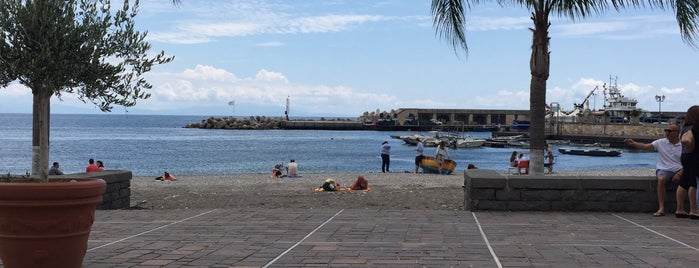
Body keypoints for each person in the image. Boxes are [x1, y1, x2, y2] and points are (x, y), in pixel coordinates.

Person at [625, 123, 683, 217]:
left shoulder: (683, 144)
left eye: (670, 131)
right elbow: (646, 147)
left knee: (687, 182)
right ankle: (661, 208)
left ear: (677, 133)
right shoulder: (661, 142)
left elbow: (688, 160)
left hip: (679, 169)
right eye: (666, 130)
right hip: (664, 169)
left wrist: (680, 173)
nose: (667, 133)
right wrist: (633, 143)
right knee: (661, 179)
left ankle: (681, 208)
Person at [677, 105, 699, 219]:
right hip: (692, 156)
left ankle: (679, 209)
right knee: (692, 182)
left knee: (684, 181)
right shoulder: (694, 128)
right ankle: (694, 209)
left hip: (684, 155)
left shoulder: (684, 127)